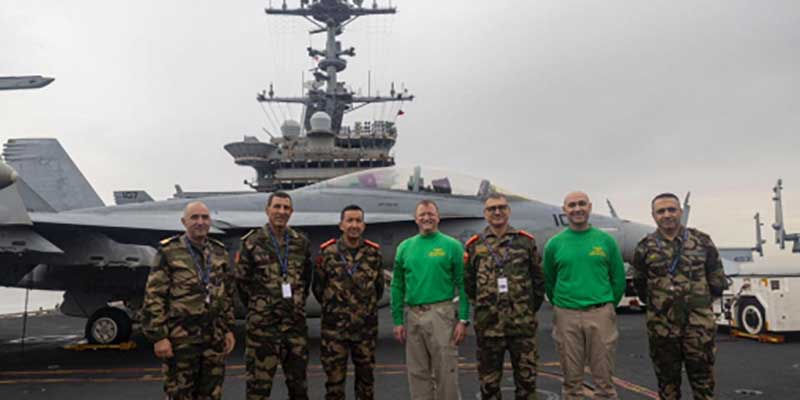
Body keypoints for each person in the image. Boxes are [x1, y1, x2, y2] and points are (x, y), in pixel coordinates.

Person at [632, 193, 729, 400]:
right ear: (653, 215)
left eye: (672, 210)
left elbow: (717, 280)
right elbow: (640, 285)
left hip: (698, 328)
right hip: (662, 329)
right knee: (667, 385)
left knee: (703, 383)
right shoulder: (645, 247)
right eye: (661, 211)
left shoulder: (702, 241)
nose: (667, 215)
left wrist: (698, 305)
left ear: (680, 212)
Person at [142, 201, 236, 400]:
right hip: (181, 340)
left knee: (212, 393)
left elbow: (225, 293)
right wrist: (159, 336)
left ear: (210, 222)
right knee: (179, 394)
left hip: (213, 338)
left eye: (204, 217)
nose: (200, 222)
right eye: (194, 217)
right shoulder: (169, 251)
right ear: (184, 222)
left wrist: (228, 328)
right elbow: (154, 295)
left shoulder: (219, 252)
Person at [542, 191, 626, 400]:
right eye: (572, 205)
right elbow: (549, 280)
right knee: (571, 382)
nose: (577, 209)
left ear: (589, 207)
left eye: (581, 204)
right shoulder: (554, 244)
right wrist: (563, 304)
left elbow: (618, 279)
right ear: (564, 210)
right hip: (566, 315)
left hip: (600, 313)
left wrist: (606, 305)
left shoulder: (606, 241)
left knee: (604, 380)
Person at [464, 193, 545, 399]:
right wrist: (485, 309)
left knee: (527, 385)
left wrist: (525, 310)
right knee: (489, 387)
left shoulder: (525, 242)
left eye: (501, 207)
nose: (497, 212)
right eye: (492, 209)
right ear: (485, 213)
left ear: (508, 211)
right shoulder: (475, 245)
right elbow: (469, 284)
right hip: (488, 328)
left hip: (522, 327)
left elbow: (538, 282)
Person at [235, 191, 313, 400]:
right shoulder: (252, 242)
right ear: (267, 210)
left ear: (291, 212)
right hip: (263, 329)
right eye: (277, 207)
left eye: (286, 208)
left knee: (299, 388)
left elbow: (306, 278)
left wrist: (293, 304)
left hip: (294, 327)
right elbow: (242, 282)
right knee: (258, 389)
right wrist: (261, 307)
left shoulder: (300, 242)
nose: (281, 212)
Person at [390, 199, 470, 400]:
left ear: (438, 217)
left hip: (441, 314)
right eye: (422, 215)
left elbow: (463, 284)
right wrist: (398, 320)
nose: (427, 218)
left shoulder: (452, 246)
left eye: (431, 214)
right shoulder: (404, 247)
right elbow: (397, 285)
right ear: (416, 219)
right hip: (413, 315)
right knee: (417, 374)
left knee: (446, 372)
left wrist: (463, 319)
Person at [313, 204, 385, 400]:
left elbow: (378, 289)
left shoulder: (373, 254)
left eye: (358, 221)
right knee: (334, 385)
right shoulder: (328, 253)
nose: (354, 225)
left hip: (365, 331)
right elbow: (318, 288)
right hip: (335, 331)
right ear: (341, 225)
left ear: (364, 225)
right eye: (350, 220)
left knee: (366, 384)